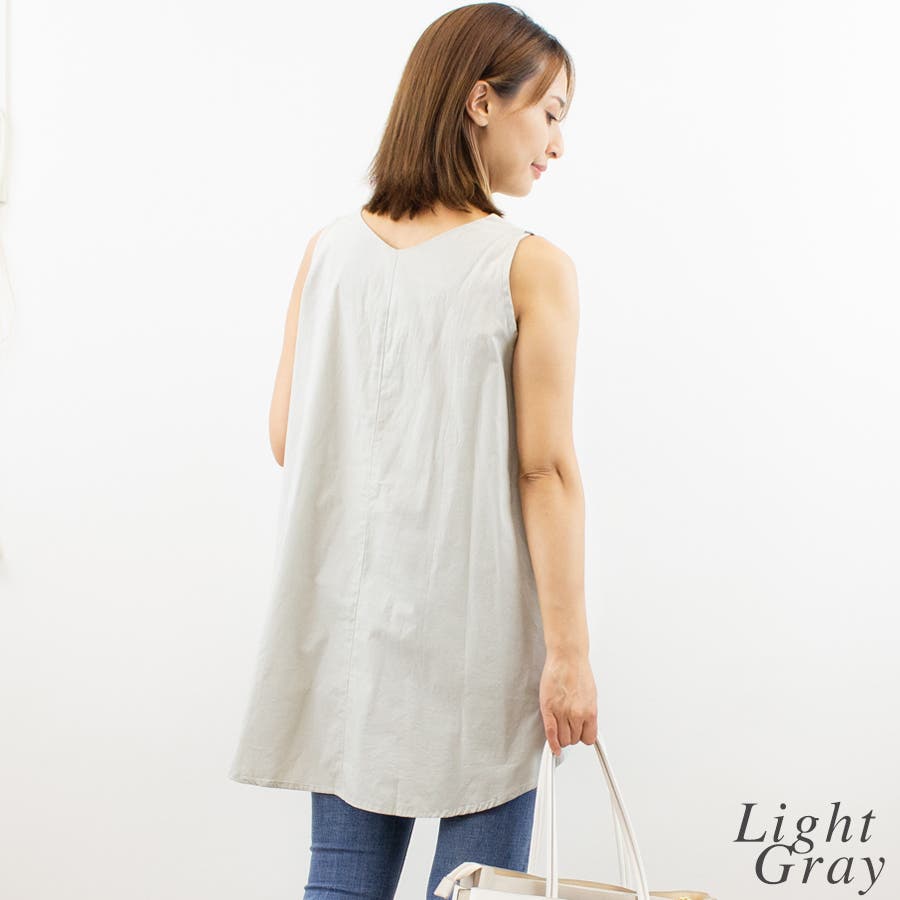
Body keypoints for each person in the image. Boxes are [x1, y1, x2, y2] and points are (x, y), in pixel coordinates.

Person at [228, 4, 597, 898]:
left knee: (342, 880)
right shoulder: (528, 265)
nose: (557, 143)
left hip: (349, 631)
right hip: (478, 636)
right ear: (481, 101)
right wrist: (570, 655)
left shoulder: (328, 252)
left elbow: (287, 438)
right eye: (549, 112)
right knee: (477, 885)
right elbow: (544, 470)